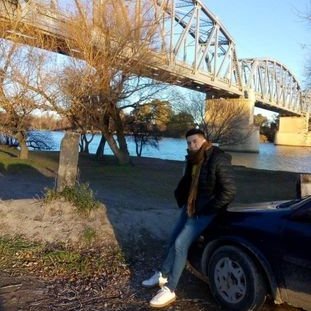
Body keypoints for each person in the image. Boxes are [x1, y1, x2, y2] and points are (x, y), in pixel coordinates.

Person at [142, 128, 236, 308]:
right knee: (172, 239)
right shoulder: (193, 159)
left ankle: (170, 289)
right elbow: (189, 182)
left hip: (206, 210)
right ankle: (162, 274)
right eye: (189, 142)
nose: (192, 145)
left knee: (180, 244)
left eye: (195, 141)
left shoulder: (217, 158)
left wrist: (209, 208)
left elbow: (229, 191)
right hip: (191, 206)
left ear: (204, 140)